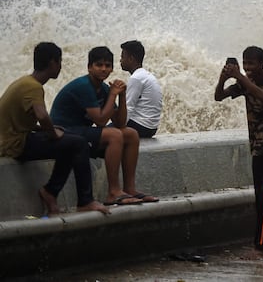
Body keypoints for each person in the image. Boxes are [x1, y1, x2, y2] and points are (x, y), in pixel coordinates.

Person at [0, 43, 109, 215]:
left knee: (69, 141)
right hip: (15, 145)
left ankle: (50, 192)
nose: (60, 66)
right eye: (60, 62)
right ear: (52, 63)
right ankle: (85, 201)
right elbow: (42, 115)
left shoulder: (25, 82)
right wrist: (53, 133)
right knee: (78, 144)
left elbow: (20, 119)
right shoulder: (33, 86)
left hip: (15, 139)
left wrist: (45, 130)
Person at [50, 46, 157, 206]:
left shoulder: (105, 88)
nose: (103, 69)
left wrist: (121, 97)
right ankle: (113, 192)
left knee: (131, 134)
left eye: (107, 65)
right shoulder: (84, 86)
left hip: (80, 132)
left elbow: (120, 122)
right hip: (63, 132)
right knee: (114, 135)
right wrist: (113, 93)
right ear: (89, 67)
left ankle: (130, 189)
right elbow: (100, 121)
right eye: (99, 65)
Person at [215, 46, 263, 260]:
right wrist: (223, 78)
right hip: (257, 147)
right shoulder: (245, 81)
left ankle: (260, 247)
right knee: (260, 198)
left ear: (262, 64)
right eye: (244, 64)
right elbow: (219, 96)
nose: (248, 68)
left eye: (251, 64)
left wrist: (239, 76)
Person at [119, 40, 163, 138]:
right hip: (151, 128)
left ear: (131, 59)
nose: (120, 60)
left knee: (104, 134)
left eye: (122, 56)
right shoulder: (146, 75)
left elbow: (128, 108)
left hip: (140, 127)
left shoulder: (136, 78)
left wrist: (116, 127)